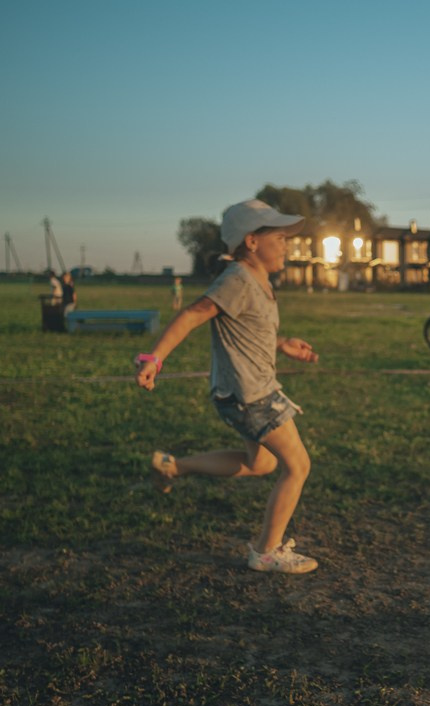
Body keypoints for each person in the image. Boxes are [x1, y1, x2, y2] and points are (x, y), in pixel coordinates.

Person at [134, 199, 320, 574]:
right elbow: (192, 315)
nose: (286, 245)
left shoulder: (256, 281)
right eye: (279, 238)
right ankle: (267, 552)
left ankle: (174, 467)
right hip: (252, 397)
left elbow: (248, 328)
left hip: (241, 394)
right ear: (252, 242)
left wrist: (281, 344)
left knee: (261, 463)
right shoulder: (237, 278)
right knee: (298, 466)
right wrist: (154, 358)